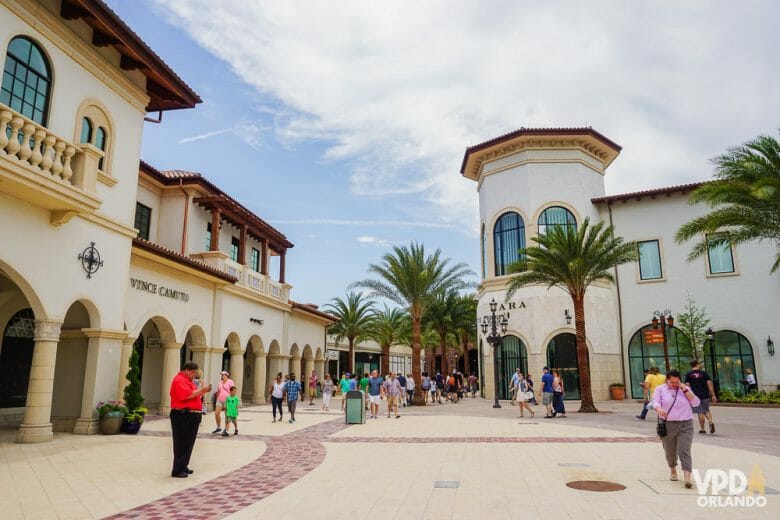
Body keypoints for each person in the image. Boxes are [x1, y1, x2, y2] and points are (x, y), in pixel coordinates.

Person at [653, 369, 701, 489]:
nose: (674, 385)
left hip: (686, 424)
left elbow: (696, 403)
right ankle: (673, 469)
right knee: (670, 451)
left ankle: (687, 478)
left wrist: (684, 390)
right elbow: (655, 402)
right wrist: (659, 410)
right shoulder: (660, 389)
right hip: (668, 424)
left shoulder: (684, 389)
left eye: (676, 382)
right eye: (671, 382)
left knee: (684, 450)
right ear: (666, 380)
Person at [168, 361, 211, 478]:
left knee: (189, 441)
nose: (194, 375)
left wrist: (202, 391)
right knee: (181, 441)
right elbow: (186, 395)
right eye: (192, 372)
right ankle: (177, 469)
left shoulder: (188, 381)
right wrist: (202, 390)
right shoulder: (179, 381)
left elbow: (195, 394)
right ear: (186, 370)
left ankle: (183, 465)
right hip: (182, 415)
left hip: (191, 415)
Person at [684, 360, 717, 434]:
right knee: (706, 410)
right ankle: (710, 421)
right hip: (705, 395)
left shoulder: (689, 374)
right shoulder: (704, 373)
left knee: (700, 411)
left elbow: (687, 385)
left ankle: (702, 429)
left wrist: (688, 395)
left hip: (695, 396)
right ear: (697, 364)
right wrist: (713, 395)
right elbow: (709, 383)